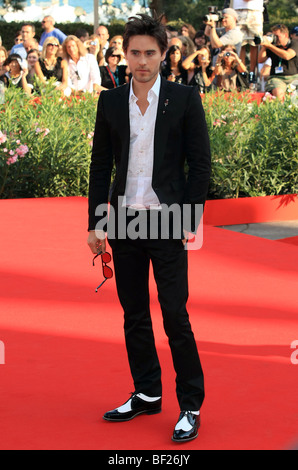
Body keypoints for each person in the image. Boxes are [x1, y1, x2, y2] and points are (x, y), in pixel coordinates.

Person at [87, 14, 211, 443]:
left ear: (163, 55)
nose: (142, 61)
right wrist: (96, 222)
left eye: (150, 53)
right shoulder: (110, 101)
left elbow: (200, 164)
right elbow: (101, 165)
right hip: (123, 219)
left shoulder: (185, 98)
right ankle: (146, 392)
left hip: (168, 217)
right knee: (134, 313)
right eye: (135, 53)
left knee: (175, 314)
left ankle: (190, 404)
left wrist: (190, 218)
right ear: (126, 54)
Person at [258, 24, 298, 100]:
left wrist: (270, 46)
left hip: (294, 77)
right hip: (277, 78)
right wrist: (264, 46)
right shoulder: (273, 45)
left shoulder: (294, 43)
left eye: (277, 36)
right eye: (274, 36)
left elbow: (287, 56)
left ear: (285, 35)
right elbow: (260, 60)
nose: (275, 39)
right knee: (278, 92)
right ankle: (280, 110)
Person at [232, 0, 264, 84]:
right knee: (239, 43)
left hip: (255, 10)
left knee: (255, 42)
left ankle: (252, 73)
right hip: (238, 9)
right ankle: (242, 72)